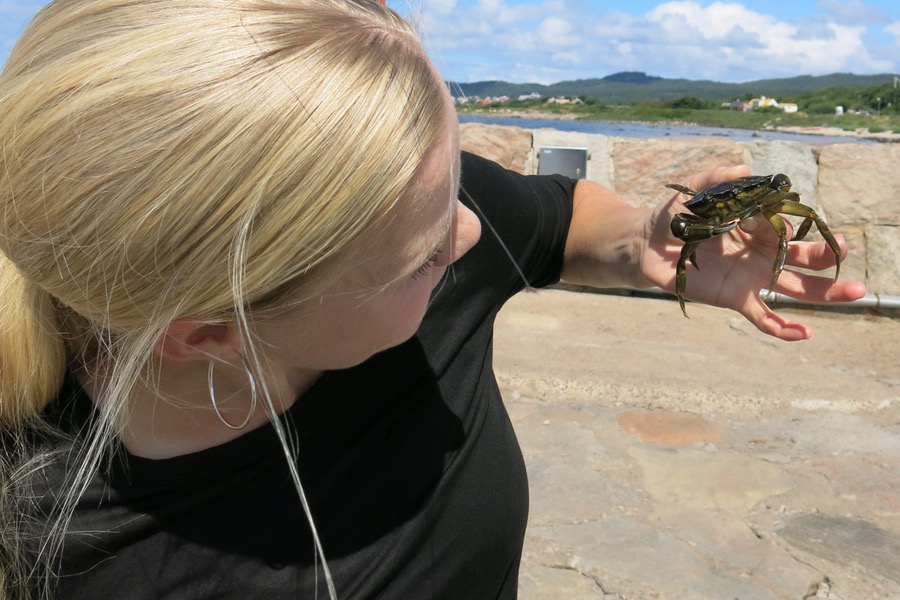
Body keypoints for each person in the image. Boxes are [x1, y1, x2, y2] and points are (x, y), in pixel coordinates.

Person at [0, 0, 866, 599]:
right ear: (208, 336)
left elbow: (561, 216)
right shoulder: (74, 560)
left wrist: (646, 239)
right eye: (419, 259)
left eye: (458, 183)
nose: (469, 232)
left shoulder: (404, 201)